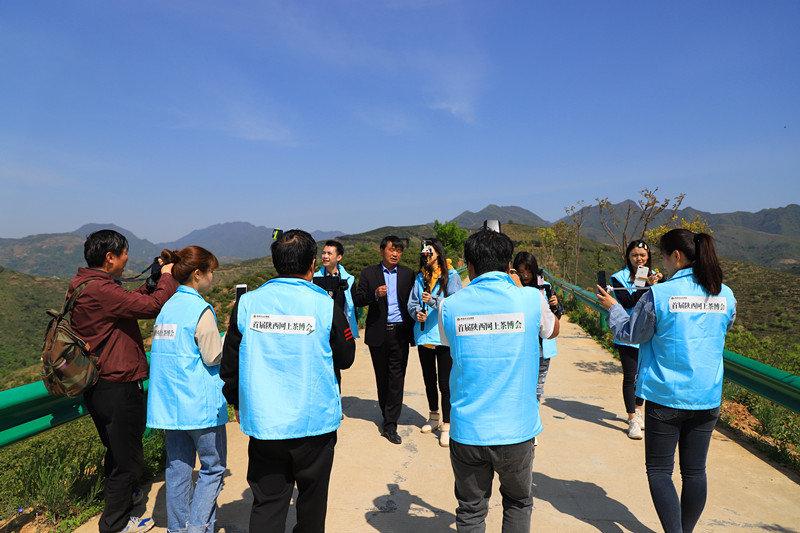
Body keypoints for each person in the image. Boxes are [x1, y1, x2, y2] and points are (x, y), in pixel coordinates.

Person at [597, 229, 736, 533]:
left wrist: (614, 308)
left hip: (666, 396)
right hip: (707, 396)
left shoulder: (659, 295)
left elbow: (631, 334)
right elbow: (724, 328)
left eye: (662, 256)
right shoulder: (725, 294)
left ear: (676, 256)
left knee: (660, 471)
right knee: (695, 472)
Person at [220, 229, 356, 532]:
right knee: (312, 503)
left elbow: (230, 364)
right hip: (314, 425)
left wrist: (236, 402)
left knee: (268, 504)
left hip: (265, 424)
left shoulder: (247, 304)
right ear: (312, 264)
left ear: (276, 262)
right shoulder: (324, 304)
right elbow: (346, 357)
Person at [438, 229, 559, 532]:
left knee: (470, 510)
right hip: (516, 429)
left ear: (469, 265)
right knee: (518, 502)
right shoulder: (531, 299)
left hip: (468, 430)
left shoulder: (450, 305)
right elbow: (552, 330)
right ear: (508, 265)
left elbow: (448, 341)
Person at [70, 229, 178, 533]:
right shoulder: (100, 290)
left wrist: (152, 281)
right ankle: (115, 524)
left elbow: (128, 301)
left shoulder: (87, 284)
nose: (127, 258)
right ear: (110, 257)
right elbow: (151, 307)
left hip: (101, 385)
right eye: (124, 252)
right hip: (117, 383)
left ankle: (125, 499)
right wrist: (167, 277)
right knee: (127, 460)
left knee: (117, 450)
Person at [146, 246, 227, 533]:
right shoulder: (200, 309)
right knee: (212, 468)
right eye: (211, 271)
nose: (213, 277)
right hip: (200, 406)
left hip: (171, 406)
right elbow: (212, 356)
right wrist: (227, 340)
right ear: (197, 274)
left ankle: (178, 528)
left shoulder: (166, 309)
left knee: (177, 469)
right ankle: (197, 528)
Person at [352, 236, 415, 445]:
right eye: (392, 250)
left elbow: (414, 301)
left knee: (397, 378)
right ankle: (386, 413)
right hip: (378, 333)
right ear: (382, 251)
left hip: (400, 332)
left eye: (399, 251)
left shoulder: (407, 274)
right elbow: (358, 299)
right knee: (382, 377)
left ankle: (390, 424)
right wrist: (375, 294)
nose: (395, 254)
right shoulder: (369, 273)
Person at [407, 238, 462, 447]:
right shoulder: (420, 277)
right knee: (429, 379)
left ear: (438, 252)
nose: (426, 256)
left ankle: (447, 424)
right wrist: (416, 313)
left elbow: (454, 305)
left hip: (443, 336)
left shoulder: (452, 276)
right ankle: (433, 416)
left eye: (429, 252)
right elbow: (412, 302)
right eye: (424, 253)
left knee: (445, 383)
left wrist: (432, 301)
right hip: (424, 336)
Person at [610, 240, 663, 440]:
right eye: (634, 255)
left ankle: (639, 410)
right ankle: (632, 418)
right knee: (630, 375)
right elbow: (628, 301)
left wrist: (660, 281)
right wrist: (645, 283)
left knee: (644, 375)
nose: (639, 259)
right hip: (628, 333)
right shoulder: (619, 277)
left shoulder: (654, 274)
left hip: (649, 333)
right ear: (628, 256)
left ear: (648, 256)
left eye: (642, 255)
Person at [512, 251, 563, 446]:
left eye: (528, 271)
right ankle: (520, 426)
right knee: (520, 388)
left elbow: (555, 318)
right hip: (520, 349)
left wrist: (556, 306)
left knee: (536, 391)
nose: (525, 275)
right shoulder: (512, 289)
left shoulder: (545, 287)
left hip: (542, 349)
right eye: (521, 271)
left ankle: (530, 429)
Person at [313, 239, 359, 384]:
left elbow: (353, 306)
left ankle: (335, 394)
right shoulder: (314, 279)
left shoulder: (348, 280)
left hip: (339, 329)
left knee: (336, 366)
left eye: (329, 253)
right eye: (324, 253)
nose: (325, 256)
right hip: (319, 329)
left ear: (339, 257)